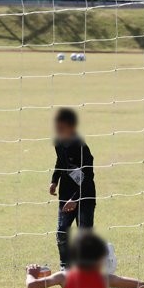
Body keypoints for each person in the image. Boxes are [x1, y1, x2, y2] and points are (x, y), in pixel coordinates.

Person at [50, 108, 96, 269]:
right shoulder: (59, 142)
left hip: (85, 197)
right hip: (65, 195)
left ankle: (86, 268)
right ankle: (65, 267)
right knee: (62, 232)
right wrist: (54, 180)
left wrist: (75, 199)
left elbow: (88, 177)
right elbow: (60, 161)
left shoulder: (81, 148)